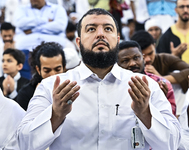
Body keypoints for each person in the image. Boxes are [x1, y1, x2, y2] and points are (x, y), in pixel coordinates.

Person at [17, 8, 180, 150]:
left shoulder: (145, 86)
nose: (100, 34)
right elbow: (24, 144)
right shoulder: (52, 86)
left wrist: (145, 113)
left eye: (108, 29)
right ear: (78, 43)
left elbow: (172, 144)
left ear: (117, 40)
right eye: (91, 29)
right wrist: (55, 115)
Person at [131, 30, 189, 116]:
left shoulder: (163, 58)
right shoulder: (130, 65)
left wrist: (161, 78)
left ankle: (178, 115)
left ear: (154, 46)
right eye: (142, 56)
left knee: (178, 74)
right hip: (138, 108)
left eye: (150, 53)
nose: (147, 59)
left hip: (168, 104)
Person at [118, 40, 176, 115]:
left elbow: (171, 121)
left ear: (143, 57)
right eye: (125, 60)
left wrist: (159, 100)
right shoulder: (114, 86)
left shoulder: (162, 83)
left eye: (136, 58)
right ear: (117, 64)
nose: (132, 63)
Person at [16, 42, 66, 110]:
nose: (53, 75)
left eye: (57, 70)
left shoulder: (73, 89)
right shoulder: (26, 93)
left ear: (64, 68)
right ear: (38, 70)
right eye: (47, 71)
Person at [157, 0, 189, 70]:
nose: (185, 10)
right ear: (176, 10)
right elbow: (160, 66)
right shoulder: (166, 36)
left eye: (188, 6)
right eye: (182, 7)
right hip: (174, 78)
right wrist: (173, 56)